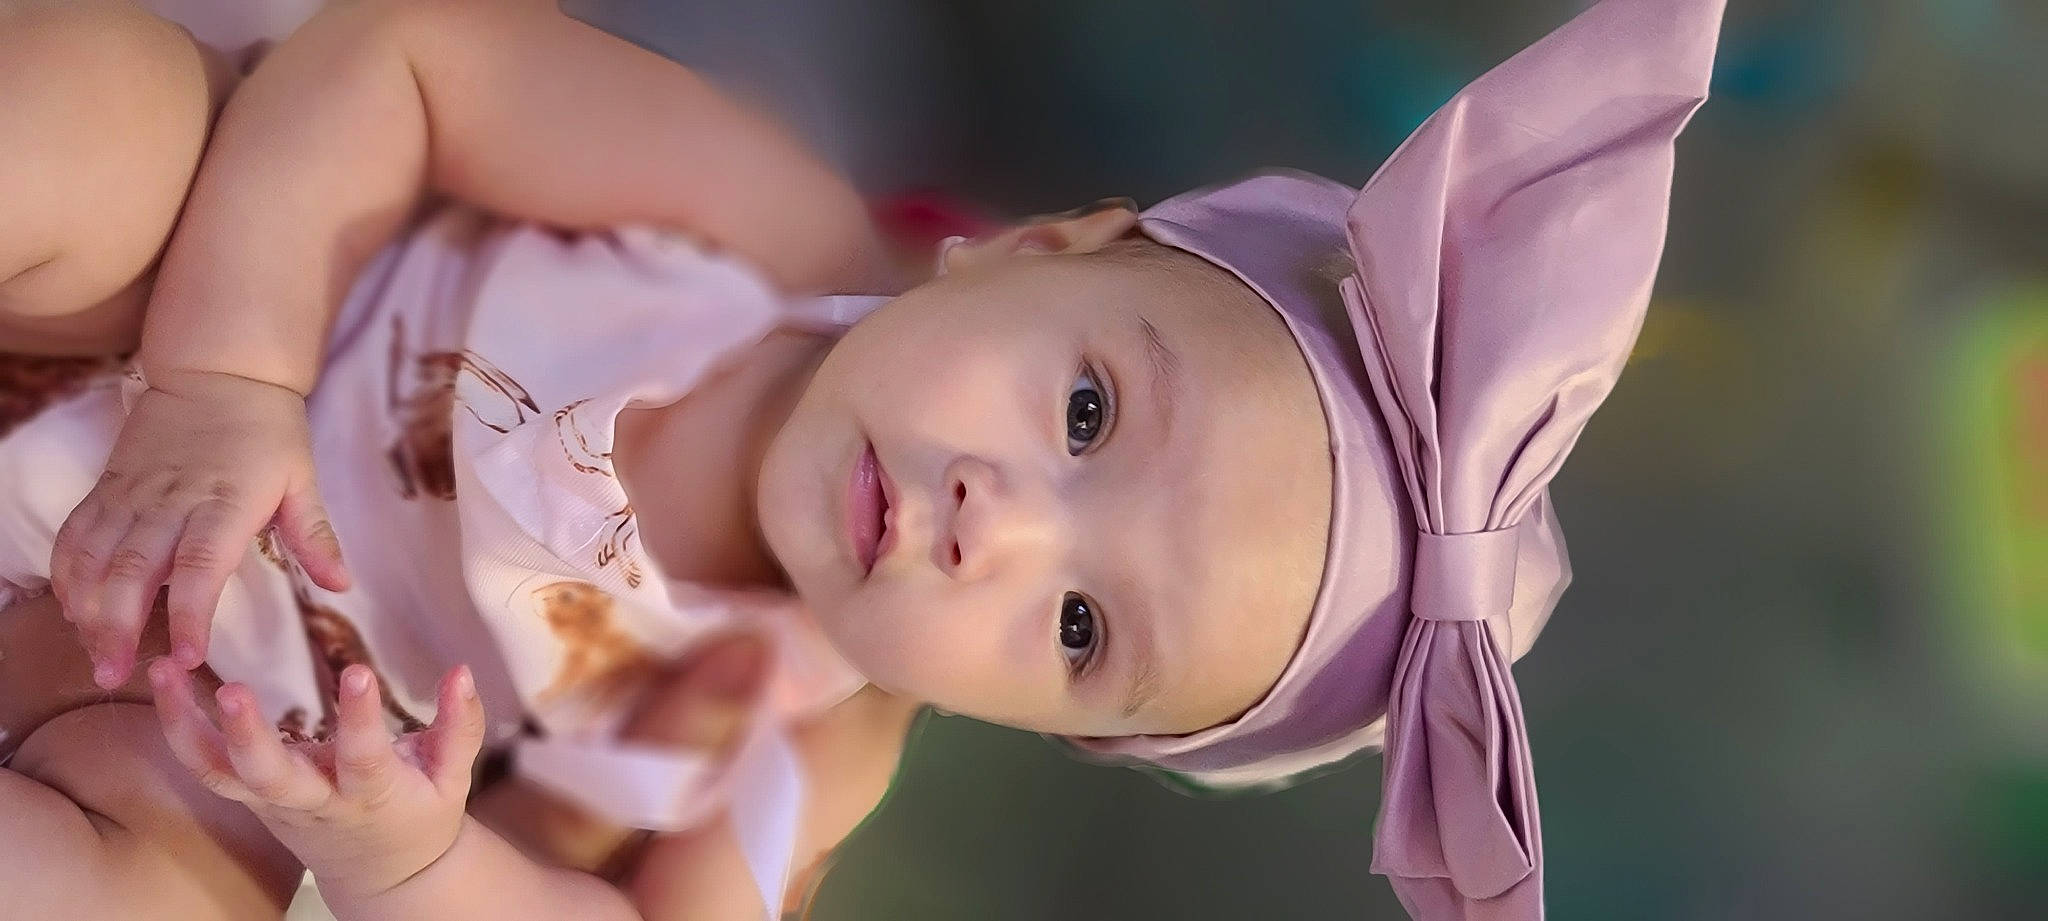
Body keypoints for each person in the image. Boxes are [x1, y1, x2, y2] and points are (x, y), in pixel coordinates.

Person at [0, 0, 1726, 918]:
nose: (1000, 524)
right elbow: (405, 59)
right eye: (1085, 415)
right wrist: (226, 377)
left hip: (183, 693)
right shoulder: (756, 235)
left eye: (1078, 627)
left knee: (162, 896)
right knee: (122, 105)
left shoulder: (801, 753)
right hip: (182, 306)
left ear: (1054, 731)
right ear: (1034, 248)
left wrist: (406, 857)